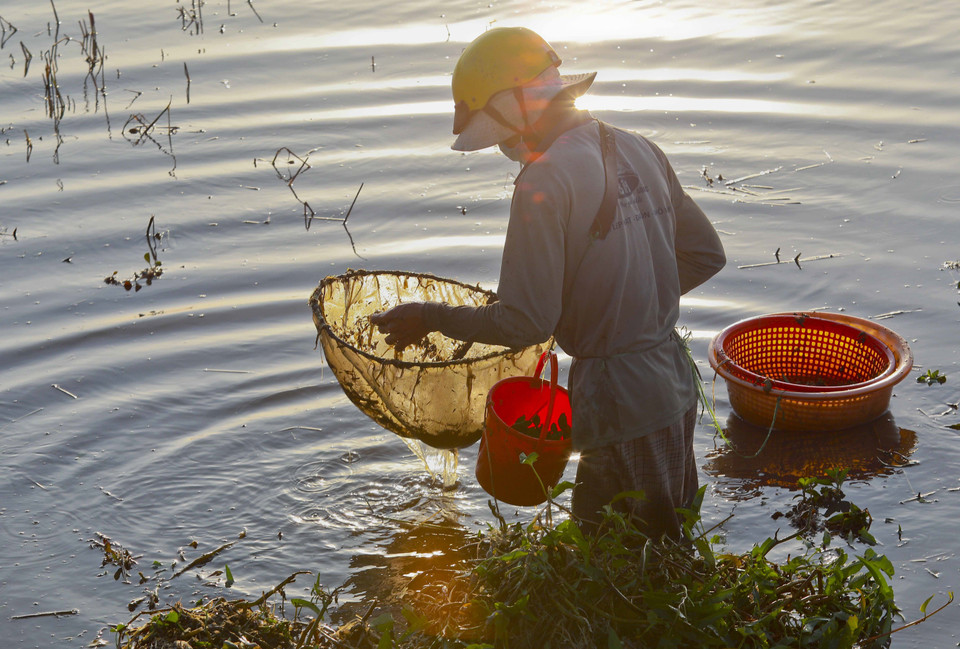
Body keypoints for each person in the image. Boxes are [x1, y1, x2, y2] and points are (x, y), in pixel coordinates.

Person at [370, 27, 726, 539]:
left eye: (497, 134)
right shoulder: (639, 147)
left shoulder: (543, 179)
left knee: (618, 566)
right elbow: (704, 255)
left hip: (618, 401)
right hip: (671, 382)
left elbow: (526, 321)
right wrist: (634, 301)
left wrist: (429, 316)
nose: (501, 148)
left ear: (515, 113)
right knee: (667, 544)